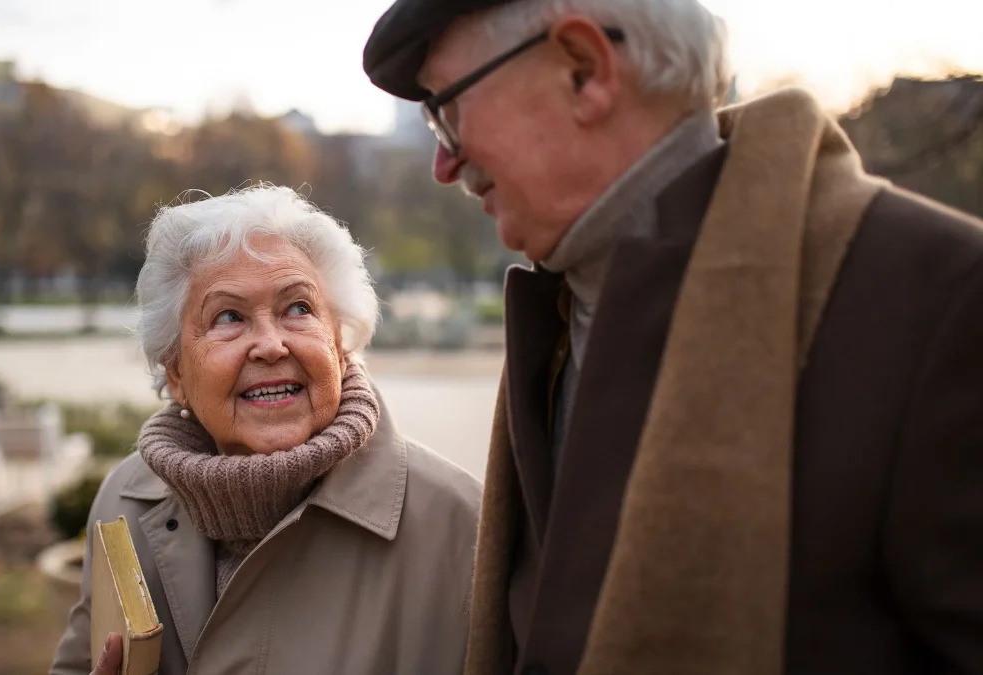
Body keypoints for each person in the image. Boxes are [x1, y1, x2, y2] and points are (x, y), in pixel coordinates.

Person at [363, 1, 983, 674]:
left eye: (447, 111)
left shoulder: (946, 301)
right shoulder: (562, 309)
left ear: (584, 70)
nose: (443, 166)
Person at [49, 186, 482, 675]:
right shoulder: (123, 502)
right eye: (228, 317)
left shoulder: (462, 526)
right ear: (176, 375)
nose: (271, 345)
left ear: (340, 346)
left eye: (298, 309)